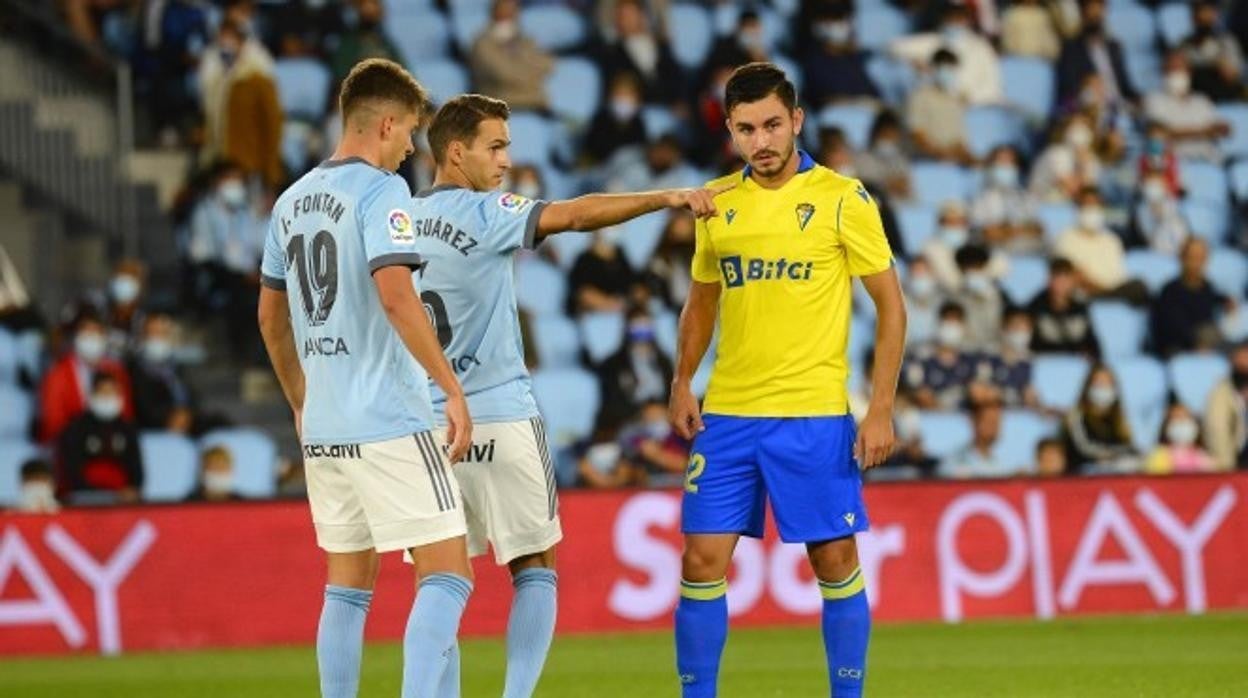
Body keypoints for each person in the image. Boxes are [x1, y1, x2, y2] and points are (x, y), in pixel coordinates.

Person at [410, 92, 723, 698]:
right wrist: (665, 197)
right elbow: (576, 215)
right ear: (455, 151)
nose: (505, 160)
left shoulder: (395, 221)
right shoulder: (487, 211)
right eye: (494, 146)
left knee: (440, 583)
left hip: (427, 423)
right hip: (499, 411)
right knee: (536, 568)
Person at [667, 63, 906, 698]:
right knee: (700, 562)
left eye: (773, 125)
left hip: (813, 415)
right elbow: (702, 303)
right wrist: (682, 381)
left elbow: (892, 305)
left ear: (796, 120)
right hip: (729, 416)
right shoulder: (716, 204)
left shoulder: (843, 198)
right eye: (746, 129)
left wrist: (879, 409)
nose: (762, 141)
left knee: (834, 562)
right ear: (731, 132)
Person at [256, 59, 474, 698]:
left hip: (325, 425)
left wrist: (301, 398)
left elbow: (270, 316)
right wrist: (451, 389)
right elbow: (397, 296)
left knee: (347, 585)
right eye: (408, 131)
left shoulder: (290, 201)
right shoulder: (383, 193)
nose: (412, 146)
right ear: (384, 123)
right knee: (449, 573)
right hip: (388, 418)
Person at [197, 18, 283, 188]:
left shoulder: (259, 77)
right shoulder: (218, 78)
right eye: (222, 38)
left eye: (230, 37)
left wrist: (271, 168)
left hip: (251, 165)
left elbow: (273, 123)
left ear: (242, 41)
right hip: (222, 161)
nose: (225, 43)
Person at [39, 310, 135, 443]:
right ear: (76, 336)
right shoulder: (57, 374)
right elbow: (52, 421)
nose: (91, 337)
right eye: (86, 332)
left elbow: (126, 415)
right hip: (72, 447)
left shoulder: (117, 371)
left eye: (96, 332)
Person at [891, 3, 1004, 105]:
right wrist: (915, 62)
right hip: (939, 104)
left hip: (974, 107)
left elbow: (992, 87)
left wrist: (970, 97)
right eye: (951, 18)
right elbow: (893, 48)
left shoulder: (981, 48)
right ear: (943, 20)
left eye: (958, 18)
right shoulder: (932, 42)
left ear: (967, 21)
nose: (954, 22)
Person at [57, 373, 144, 504]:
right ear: (92, 394)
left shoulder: (128, 429)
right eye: (103, 392)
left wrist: (132, 489)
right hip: (85, 496)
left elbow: (137, 468)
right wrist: (95, 492)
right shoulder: (76, 428)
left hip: (122, 498)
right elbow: (72, 470)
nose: (107, 397)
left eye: (111, 392)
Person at [1144, 50, 1231, 163]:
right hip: (1173, 161)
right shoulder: (1153, 100)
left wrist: (1219, 129)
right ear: (1163, 73)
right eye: (1170, 70)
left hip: (1208, 159)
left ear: (1189, 72)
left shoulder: (1202, 101)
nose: (1175, 74)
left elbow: (1220, 130)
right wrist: (1203, 132)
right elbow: (1158, 133)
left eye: (1179, 69)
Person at [469, 0, 555, 112]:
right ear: (494, 10)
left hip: (536, 102)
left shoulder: (526, 39)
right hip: (502, 104)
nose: (510, 12)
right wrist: (531, 73)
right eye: (505, 8)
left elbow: (548, 64)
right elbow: (503, 74)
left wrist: (524, 64)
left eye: (513, 8)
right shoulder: (482, 42)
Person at [595, 306, 675, 425]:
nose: (642, 331)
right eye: (637, 327)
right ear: (627, 329)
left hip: (664, 422)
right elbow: (612, 403)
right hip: (628, 424)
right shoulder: (612, 365)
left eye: (645, 326)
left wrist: (663, 411)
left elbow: (674, 395)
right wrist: (642, 413)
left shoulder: (664, 362)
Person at [1150, 238, 1229, 357]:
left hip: (1208, 345)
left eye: (1200, 258)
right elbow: (1170, 331)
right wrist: (1196, 345)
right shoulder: (1169, 292)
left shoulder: (1208, 287)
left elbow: (1213, 299)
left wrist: (1226, 301)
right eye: (1192, 257)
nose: (1196, 263)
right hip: (1178, 349)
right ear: (1182, 258)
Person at [1054, 0, 1137, 108]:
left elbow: (1126, 87)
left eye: (1098, 9)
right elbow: (1067, 90)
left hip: (1121, 106)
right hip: (1091, 107)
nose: (1095, 14)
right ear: (1082, 12)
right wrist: (1086, 84)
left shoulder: (1114, 47)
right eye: (1090, 9)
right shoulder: (1071, 49)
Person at [127, 313, 198, 434]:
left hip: (187, 422)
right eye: (152, 333)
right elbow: (144, 406)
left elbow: (193, 395)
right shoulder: (135, 369)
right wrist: (171, 417)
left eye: (162, 333)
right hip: (156, 428)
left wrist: (188, 415)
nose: (157, 338)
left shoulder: (177, 366)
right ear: (143, 336)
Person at [1061, 364, 1139, 473]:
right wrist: (1110, 455)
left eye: (1108, 383)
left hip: (1114, 469)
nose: (1103, 388)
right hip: (1082, 471)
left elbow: (1128, 446)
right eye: (1099, 383)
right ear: (1088, 386)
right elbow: (1083, 448)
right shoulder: (1076, 415)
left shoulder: (1119, 417)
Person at [906, 48, 973, 165]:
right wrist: (940, 154)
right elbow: (916, 135)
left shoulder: (955, 101)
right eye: (946, 69)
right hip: (926, 162)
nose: (950, 74)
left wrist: (968, 157)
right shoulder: (919, 97)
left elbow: (959, 140)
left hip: (951, 162)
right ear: (933, 69)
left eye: (953, 70)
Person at [971, 145, 1042, 254]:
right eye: (1001, 161)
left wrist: (1007, 230)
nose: (1006, 166)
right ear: (991, 166)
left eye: (1010, 162)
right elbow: (986, 232)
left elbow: (1037, 229)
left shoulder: (1026, 197)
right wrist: (1016, 230)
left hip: (1026, 251)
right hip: (993, 252)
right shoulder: (980, 198)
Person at [1027, 257, 1100, 355]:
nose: (1061, 284)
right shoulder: (1035, 306)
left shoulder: (1081, 307)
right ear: (1049, 280)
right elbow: (1030, 344)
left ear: (1072, 281)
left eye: (1065, 279)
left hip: (1075, 363)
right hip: (1045, 361)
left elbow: (1092, 342)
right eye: (1057, 278)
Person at [1182, 0, 1246, 102]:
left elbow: (1231, 75)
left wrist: (1215, 62)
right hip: (1195, 98)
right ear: (1193, 18)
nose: (1203, 20)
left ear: (1215, 16)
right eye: (1199, 17)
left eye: (1208, 16)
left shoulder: (1226, 42)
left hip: (1224, 95)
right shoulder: (1185, 44)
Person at [330, 0, 402, 89]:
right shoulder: (349, 42)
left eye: (374, 6)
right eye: (364, 6)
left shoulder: (385, 42)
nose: (369, 10)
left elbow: (405, 73)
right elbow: (340, 73)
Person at [937, 399, 1008, 479]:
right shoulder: (955, 460)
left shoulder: (998, 463)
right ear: (975, 423)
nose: (996, 429)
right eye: (991, 423)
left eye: (998, 424)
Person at [1204, 343, 1248, 470]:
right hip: (1235, 460)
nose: (1244, 364)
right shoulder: (1221, 392)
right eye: (1241, 359)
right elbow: (1217, 429)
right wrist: (1227, 467)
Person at [1145, 402, 1217, 475]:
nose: (1182, 423)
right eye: (1176, 419)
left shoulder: (1204, 458)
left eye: (1186, 418)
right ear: (1167, 425)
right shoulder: (1158, 456)